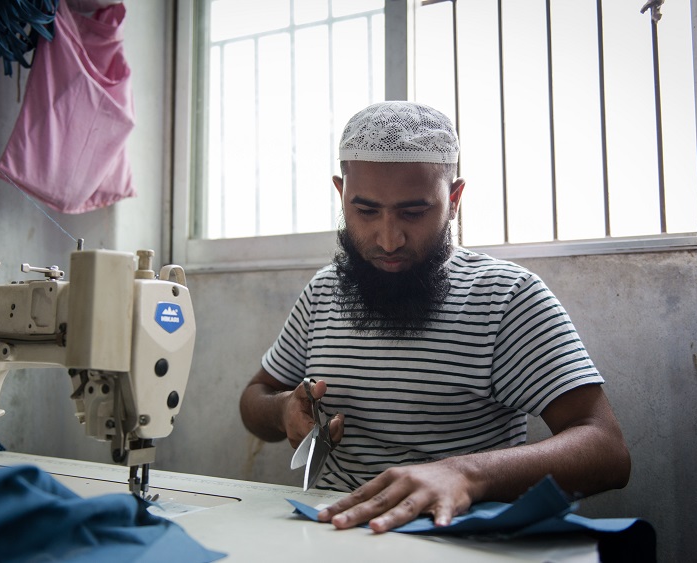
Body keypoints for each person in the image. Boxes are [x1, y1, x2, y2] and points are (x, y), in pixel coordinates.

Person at [239, 101, 630, 533]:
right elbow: (256, 396)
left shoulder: (506, 298)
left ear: (454, 198)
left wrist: (464, 473)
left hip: (456, 535)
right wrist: (282, 412)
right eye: (366, 211)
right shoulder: (323, 293)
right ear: (341, 194)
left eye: (413, 212)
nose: (388, 239)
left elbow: (606, 450)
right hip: (335, 530)